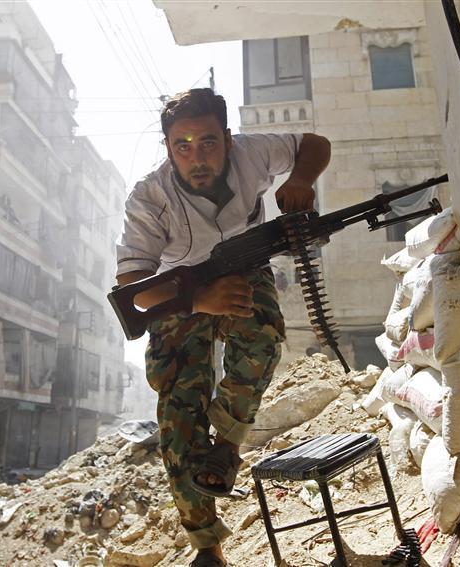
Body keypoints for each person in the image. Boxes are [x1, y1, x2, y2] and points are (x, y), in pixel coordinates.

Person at [115, 88, 330, 567]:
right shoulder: (150, 197)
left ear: (228, 140)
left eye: (208, 142)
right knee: (179, 418)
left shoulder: (252, 152)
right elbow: (134, 288)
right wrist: (197, 301)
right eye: (183, 146)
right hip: (178, 292)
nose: (197, 157)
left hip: (240, 267)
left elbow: (314, 144)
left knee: (263, 333)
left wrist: (301, 179)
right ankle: (208, 549)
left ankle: (228, 444)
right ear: (168, 148)